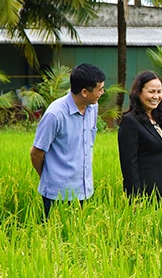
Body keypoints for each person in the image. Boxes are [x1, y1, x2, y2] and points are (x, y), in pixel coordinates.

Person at [30, 63, 106, 218]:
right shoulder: (55, 114)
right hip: (57, 194)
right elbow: (36, 153)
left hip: (84, 190)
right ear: (84, 92)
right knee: (56, 239)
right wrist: (50, 177)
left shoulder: (92, 107)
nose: (102, 93)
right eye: (100, 89)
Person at [118, 71, 162, 201]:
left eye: (159, 92)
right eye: (151, 92)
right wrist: (135, 198)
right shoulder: (130, 122)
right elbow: (129, 163)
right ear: (138, 92)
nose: (156, 96)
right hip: (147, 192)